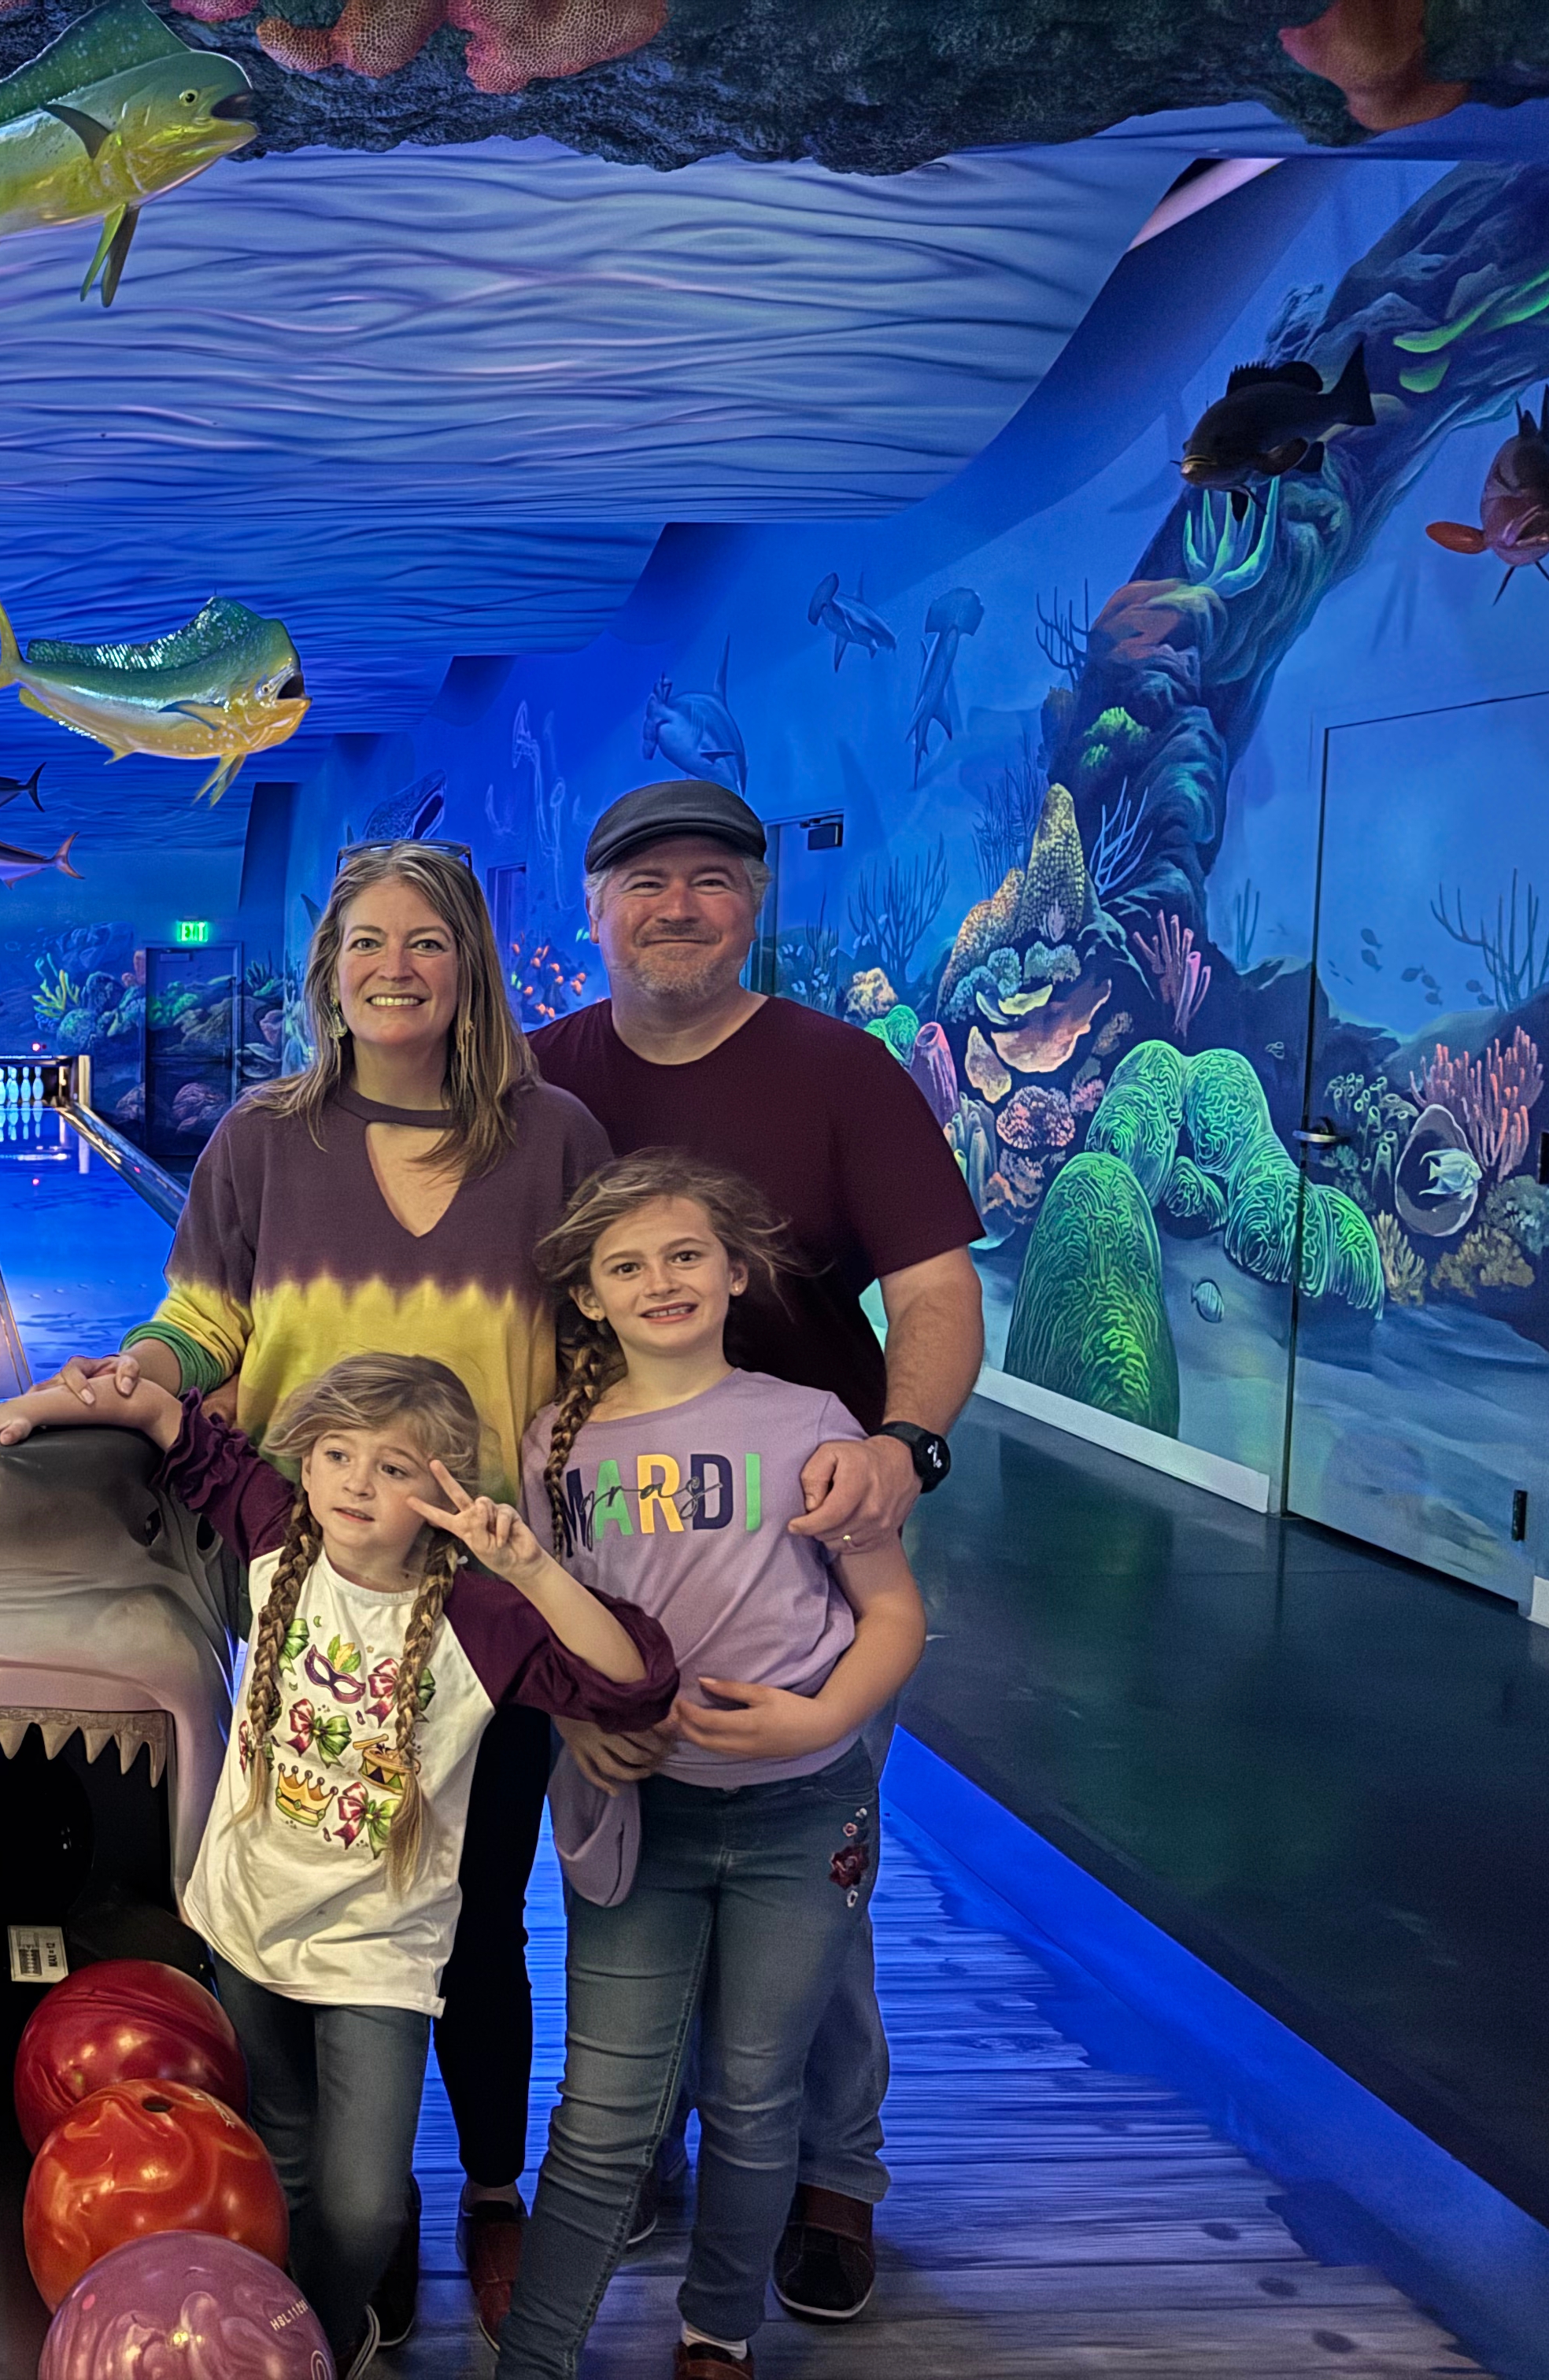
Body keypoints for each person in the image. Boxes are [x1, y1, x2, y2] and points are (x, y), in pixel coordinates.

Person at [51, 841, 613, 2339]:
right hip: (302, 1579)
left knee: (476, 1901)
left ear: (467, 962)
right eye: (364, 941)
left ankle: (485, 2186)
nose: (392, 967)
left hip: (477, 1603)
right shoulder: (261, 1138)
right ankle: (336, 2199)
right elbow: (196, 1316)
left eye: (423, 941)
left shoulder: (552, 1136)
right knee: (318, 1867)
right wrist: (138, 1374)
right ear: (328, 970)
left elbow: (602, 1339)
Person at [0, 1354, 676, 2370]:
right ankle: (276, 2337)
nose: (358, 1483)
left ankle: (310, 2337)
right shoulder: (281, 1540)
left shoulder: (479, 1620)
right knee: (281, 2154)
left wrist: (533, 1567)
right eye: (337, 1454)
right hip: (248, 1928)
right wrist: (18, 1408)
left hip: (378, 1960)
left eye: (395, 1467)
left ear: (448, 1487)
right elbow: (161, 1413)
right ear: (308, 1464)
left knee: (365, 2208)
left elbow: (630, 1684)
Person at [523, 780, 982, 2319]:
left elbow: (932, 1294)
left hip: (807, 1551)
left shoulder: (839, 1073)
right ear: (595, 910)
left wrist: (902, 1450)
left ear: (754, 904)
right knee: (623, 1870)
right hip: (619, 1569)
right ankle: (640, 2147)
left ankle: (836, 2177)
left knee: (817, 1887)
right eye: (645, 881)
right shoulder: (538, 1084)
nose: (676, 905)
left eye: (711, 880)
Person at [490, 1152, 928, 2380]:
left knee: (753, 2095)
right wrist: (580, 1728)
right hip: (642, 1814)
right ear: (588, 1296)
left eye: (687, 1255)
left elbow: (892, 1614)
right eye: (626, 1265)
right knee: (602, 2116)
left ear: (737, 1271)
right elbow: (550, 1639)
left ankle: (716, 2331)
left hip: (806, 1813)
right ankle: (536, 2354)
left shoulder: (810, 1424)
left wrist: (820, 1722)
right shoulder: (557, 1450)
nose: (661, 1280)